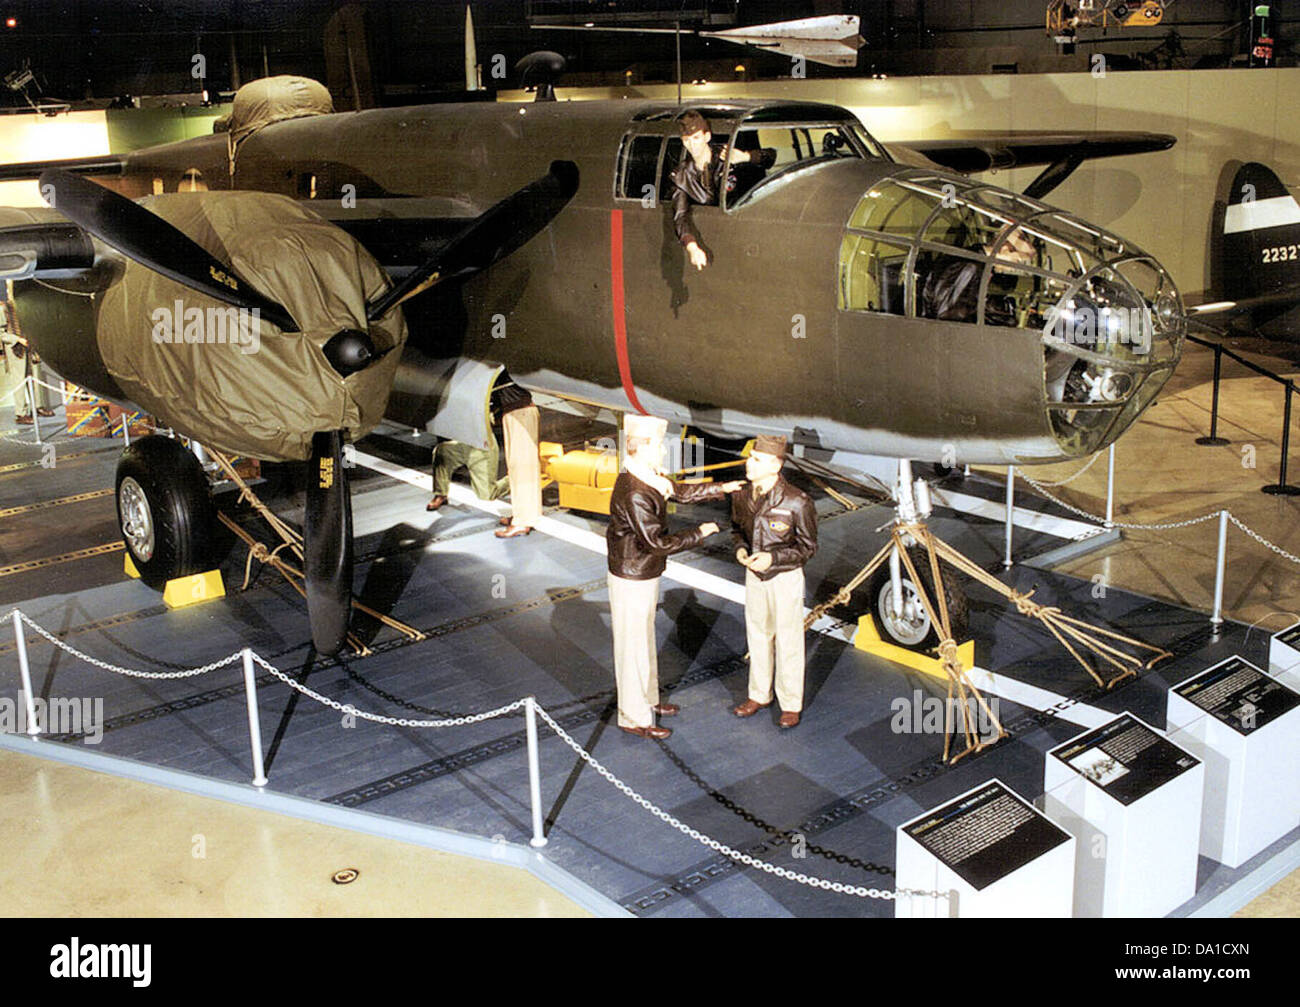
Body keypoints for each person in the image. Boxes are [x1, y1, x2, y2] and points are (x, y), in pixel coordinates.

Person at [607, 414, 745, 739]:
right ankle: (633, 717)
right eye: (657, 445)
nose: (662, 452)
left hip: (641, 572)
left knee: (643, 640)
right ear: (639, 448)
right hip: (633, 576)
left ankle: (649, 700)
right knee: (633, 646)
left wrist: (720, 488)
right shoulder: (636, 492)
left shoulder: (646, 475)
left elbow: (678, 491)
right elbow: (657, 543)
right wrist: (700, 532)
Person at [730, 435, 817, 729]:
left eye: (756, 459)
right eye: (750, 457)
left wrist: (773, 560)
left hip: (785, 577)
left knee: (789, 639)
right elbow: (737, 531)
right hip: (754, 575)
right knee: (757, 635)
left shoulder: (797, 501)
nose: (748, 463)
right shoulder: (742, 495)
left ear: (775, 465)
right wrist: (741, 550)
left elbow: (808, 548)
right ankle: (759, 694)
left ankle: (790, 703)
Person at [671, 110, 776, 271]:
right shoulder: (681, 175)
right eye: (687, 140)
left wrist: (745, 157)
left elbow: (770, 156)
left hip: (747, 226)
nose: (692, 145)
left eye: (696, 138)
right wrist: (691, 246)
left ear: (707, 137)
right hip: (719, 233)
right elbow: (680, 215)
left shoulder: (727, 155)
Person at [920, 224, 1036, 323]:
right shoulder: (971, 268)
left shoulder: (976, 261)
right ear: (1005, 248)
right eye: (1015, 261)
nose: (1011, 269)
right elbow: (950, 317)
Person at [493, 381, 542, 539]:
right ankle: (521, 514)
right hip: (515, 412)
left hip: (520, 412)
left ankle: (522, 521)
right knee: (516, 468)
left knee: (522, 469)